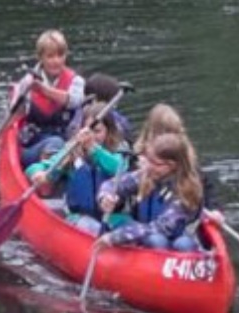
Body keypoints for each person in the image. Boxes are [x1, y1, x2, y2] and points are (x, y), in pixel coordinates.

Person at [97, 132, 209, 252]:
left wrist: (115, 237)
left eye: (155, 163)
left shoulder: (187, 191)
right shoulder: (148, 175)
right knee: (155, 239)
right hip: (147, 239)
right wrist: (105, 197)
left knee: (174, 243)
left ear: (171, 166)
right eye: (148, 160)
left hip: (176, 243)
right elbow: (111, 184)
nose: (148, 166)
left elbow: (161, 227)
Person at [29, 101, 127, 235]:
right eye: (87, 131)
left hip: (112, 217)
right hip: (79, 218)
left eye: (97, 131)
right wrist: (38, 173)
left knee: (132, 230)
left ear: (108, 131)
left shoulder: (119, 152)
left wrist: (94, 148)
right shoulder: (72, 151)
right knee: (94, 229)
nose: (91, 136)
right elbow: (41, 167)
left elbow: (118, 168)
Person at [17, 29, 86, 166]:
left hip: (66, 144)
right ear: (40, 57)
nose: (56, 61)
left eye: (60, 55)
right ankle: (44, 174)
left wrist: (43, 90)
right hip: (33, 145)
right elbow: (16, 113)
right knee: (55, 143)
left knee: (65, 146)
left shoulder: (76, 81)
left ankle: (58, 172)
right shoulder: (27, 82)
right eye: (50, 56)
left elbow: (73, 101)